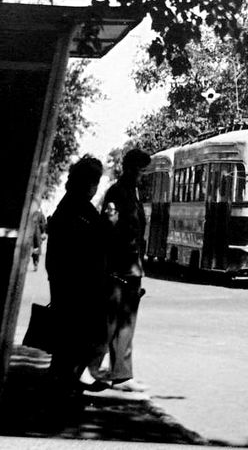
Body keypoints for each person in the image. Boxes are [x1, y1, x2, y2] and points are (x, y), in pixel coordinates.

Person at [46, 156, 109, 398]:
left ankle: (65, 381)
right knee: (77, 338)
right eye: (95, 182)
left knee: (68, 341)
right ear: (89, 183)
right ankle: (66, 386)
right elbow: (90, 244)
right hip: (78, 285)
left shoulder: (70, 205)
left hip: (66, 282)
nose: (95, 188)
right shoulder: (79, 208)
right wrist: (108, 226)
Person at [90, 148, 151, 393]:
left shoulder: (133, 194)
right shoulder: (117, 192)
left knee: (126, 323)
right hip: (117, 267)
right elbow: (108, 229)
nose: (141, 175)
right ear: (129, 168)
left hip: (132, 268)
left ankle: (122, 375)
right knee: (108, 323)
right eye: (138, 169)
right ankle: (89, 370)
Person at [30, 207, 47, 271]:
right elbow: (43, 225)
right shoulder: (40, 214)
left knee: (32, 248)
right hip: (36, 233)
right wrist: (43, 232)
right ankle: (35, 262)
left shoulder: (29, 211)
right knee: (36, 248)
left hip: (28, 232)